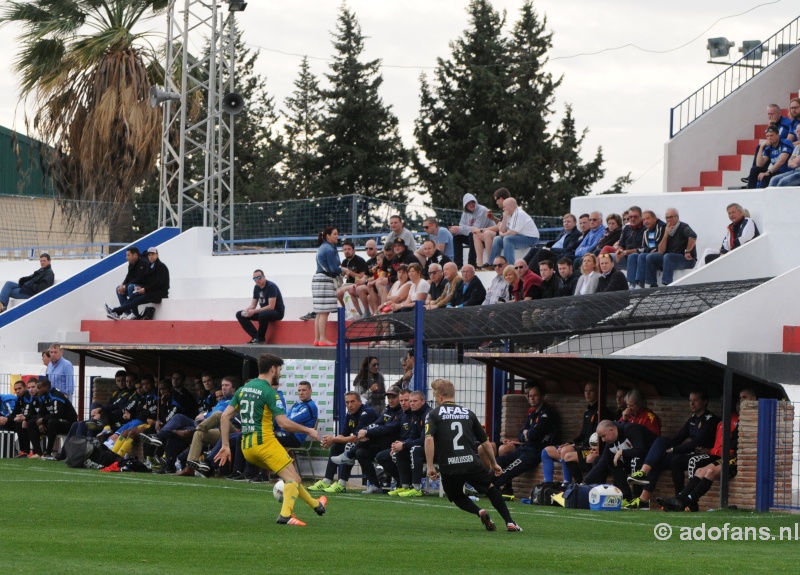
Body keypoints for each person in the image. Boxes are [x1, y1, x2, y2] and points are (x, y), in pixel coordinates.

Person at [215, 354, 327, 526]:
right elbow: (283, 423)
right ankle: (285, 515)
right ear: (273, 369)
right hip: (265, 443)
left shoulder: (243, 389)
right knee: (293, 480)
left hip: (248, 448)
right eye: (280, 370)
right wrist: (308, 430)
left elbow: (224, 417)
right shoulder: (269, 392)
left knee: (292, 476)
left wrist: (225, 445)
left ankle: (316, 505)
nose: (280, 374)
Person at [426, 378, 522, 532]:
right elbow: (485, 442)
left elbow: (429, 439)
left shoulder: (433, 414)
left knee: (456, 496)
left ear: (439, 397)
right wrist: (494, 464)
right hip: (471, 462)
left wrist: (430, 466)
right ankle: (510, 522)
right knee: (490, 489)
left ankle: (480, 512)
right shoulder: (468, 413)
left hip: (449, 465)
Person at [662, 389, 757, 512]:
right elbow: (721, 443)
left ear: (754, 400)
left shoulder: (745, 421)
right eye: (740, 398)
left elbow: (737, 442)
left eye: (744, 397)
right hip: (723, 457)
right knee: (701, 470)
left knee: (707, 471)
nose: (741, 401)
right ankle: (679, 499)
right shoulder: (723, 422)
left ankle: (687, 503)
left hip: (736, 459)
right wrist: (711, 450)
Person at [626, 390, 720, 508]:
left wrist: (673, 450)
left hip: (702, 454)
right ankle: (642, 498)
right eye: (690, 401)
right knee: (659, 450)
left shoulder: (710, 419)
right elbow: (679, 437)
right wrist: (667, 447)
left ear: (705, 402)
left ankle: (679, 498)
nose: (691, 403)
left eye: (695, 401)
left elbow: (696, 443)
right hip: (687, 452)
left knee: (675, 460)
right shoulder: (693, 418)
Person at [490, 384, 558, 496]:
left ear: (542, 397)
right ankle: (485, 483)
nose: (531, 398)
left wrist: (527, 433)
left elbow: (534, 434)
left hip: (536, 451)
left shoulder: (547, 414)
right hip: (525, 448)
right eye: (530, 396)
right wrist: (526, 434)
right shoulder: (532, 414)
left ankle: (490, 486)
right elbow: (520, 434)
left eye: (535, 395)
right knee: (499, 462)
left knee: (510, 469)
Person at [541, 382, 611, 483]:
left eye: (590, 391)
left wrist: (576, 445)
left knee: (566, 452)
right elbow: (583, 434)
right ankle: (550, 484)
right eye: (586, 391)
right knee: (549, 450)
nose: (587, 394)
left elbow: (596, 438)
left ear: (597, 392)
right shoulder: (587, 412)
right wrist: (570, 443)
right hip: (584, 447)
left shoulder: (603, 411)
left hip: (592, 449)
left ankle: (571, 483)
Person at [308, 391, 378, 494]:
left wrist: (333, 439)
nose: (349, 405)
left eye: (352, 401)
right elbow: (344, 434)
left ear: (359, 401)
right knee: (337, 445)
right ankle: (327, 480)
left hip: (373, 445)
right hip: (360, 445)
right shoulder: (350, 413)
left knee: (349, 445)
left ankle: (341, 483)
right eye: (347, 402)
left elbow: (355, 438)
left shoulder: (367, 413)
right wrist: (330, 441)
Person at [582, 419, 660, 507]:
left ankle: (637, 497)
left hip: (652, 459)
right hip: (631, 461)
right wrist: (584, 482)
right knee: (608, 462)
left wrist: (622, 452)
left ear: (611, 430)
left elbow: (641, 450)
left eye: (603, 436)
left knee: (635, 460)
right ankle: (626, 496)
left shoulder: (630, 429)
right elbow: (602, 463)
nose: (603, 440)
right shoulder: (610, 443)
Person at [106, 247, 170, 320]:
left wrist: (145, 289)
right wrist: (142, 288)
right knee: (134, 296)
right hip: (151, 291)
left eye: (153, 254)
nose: (150, 257)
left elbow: (158, 283)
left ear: (157, 255)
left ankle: (115, 311)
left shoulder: (161, 267)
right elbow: (147, 281)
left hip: (159, 293)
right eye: (149, 255)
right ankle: (117, 311)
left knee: (136, 300)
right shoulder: (151, 266)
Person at [644, 208, 697, 287]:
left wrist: (688, 251)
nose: (668, 220)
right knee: (650, 257)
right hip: (670, 259)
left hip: (686, 259)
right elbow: (661, 251)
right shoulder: (666, 228)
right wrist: (666, 234)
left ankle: (667, 283)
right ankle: (652, 284)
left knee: (668, 256)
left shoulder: (683, 227)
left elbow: (693, 236)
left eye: (671, 217)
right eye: (667, 218)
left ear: (677, 217)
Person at [28, 378, 78, 459]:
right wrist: (41, 422)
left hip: (69, 423)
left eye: (39, 388)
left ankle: (48, 452)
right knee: (31, 423)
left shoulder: (55, 396)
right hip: (54, 421)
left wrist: (43, 420)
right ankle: (38, 453)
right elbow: (41, 412)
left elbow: (58, 414)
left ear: (46, 387)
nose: (37, 390)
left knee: (52, 422)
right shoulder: (43, 396)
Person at [236, 269, 285, 344]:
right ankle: (255, 336)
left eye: (259, 278)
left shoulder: (271, 286)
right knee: (240, 314)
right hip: (264, 312)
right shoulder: (256, 287)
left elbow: (271, 307)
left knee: (263, 314)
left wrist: (254, 311)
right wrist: (246, 310)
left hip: (276, 312)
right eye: (254, 279)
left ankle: (261, 339)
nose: (257, 280)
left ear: (264, 277)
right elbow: (253, 305)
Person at [449, 192, 495, 269]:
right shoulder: (465, 213)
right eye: (468, 203)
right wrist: (456, 230)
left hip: (487, 237)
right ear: (465, 205)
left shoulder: (482, 210)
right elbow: (462, 226)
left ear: (475, 202)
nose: (471, 204)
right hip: (475, 237)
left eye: (472, 202)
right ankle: (458, 264)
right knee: (457, 237)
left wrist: (460, 229)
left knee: (472, 234)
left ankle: (472, 263)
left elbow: (477, 229)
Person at [489, 197, 540, 265]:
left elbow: (512, 232)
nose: (503, 209)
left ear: (511, 206)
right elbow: (502, 230)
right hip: (519, 237)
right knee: (497, 239)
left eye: (504, 207)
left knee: (508, 239)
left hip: (531, 238)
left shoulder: (518, 214)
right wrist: (504, 218)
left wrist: (502, 234)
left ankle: (509, 265)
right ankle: (493, 264)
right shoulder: (508, 215)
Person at [312, 226, 340, 346]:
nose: (337, 236)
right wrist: (342, 270)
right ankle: (323, 338)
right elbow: (333, 268)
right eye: (334, 234)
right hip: (324, 279)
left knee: (319, 311)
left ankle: (317, 338)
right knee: (324, 311)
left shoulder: (322, 248)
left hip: (318, 279)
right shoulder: (329, 249)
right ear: (328, 236)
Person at [626, 210, 665, 289]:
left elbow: (659, 247)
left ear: (655, 218)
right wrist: (647, 250)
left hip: (661, 256)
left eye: (647, 219)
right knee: (632, 256)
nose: (645, 221)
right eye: (643, 220)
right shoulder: (646, 231)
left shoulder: (661, 227)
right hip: (650, 254)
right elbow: (644, 247)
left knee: (642, 256)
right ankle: (632, 283)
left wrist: (647, 250)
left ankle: (642, 283)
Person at [746, 122, 793, 188]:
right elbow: (759, 165)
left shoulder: (785, 142)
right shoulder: (769, 147)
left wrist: (768, 172)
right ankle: (750, 192)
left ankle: (763, 197)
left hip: (787, 171)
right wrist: (761, 147)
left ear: (777, 135)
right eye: (767, 136)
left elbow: (781, 161)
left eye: (772, 135)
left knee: (766, 177)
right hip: (776, 171)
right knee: (754, 169)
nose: (769, 138)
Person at [336, 239, 368, 317]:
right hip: (348, 284)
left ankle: (356, 313)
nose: (347, 251)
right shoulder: (344, 262)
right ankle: (346, 310)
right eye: (345, 249)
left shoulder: (360, 261)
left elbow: (362, 276)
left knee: (340, 291)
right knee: (337, 292)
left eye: (349, 249)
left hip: (357, 284)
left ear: (354, 250)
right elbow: (343, 274)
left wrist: (349, 272)